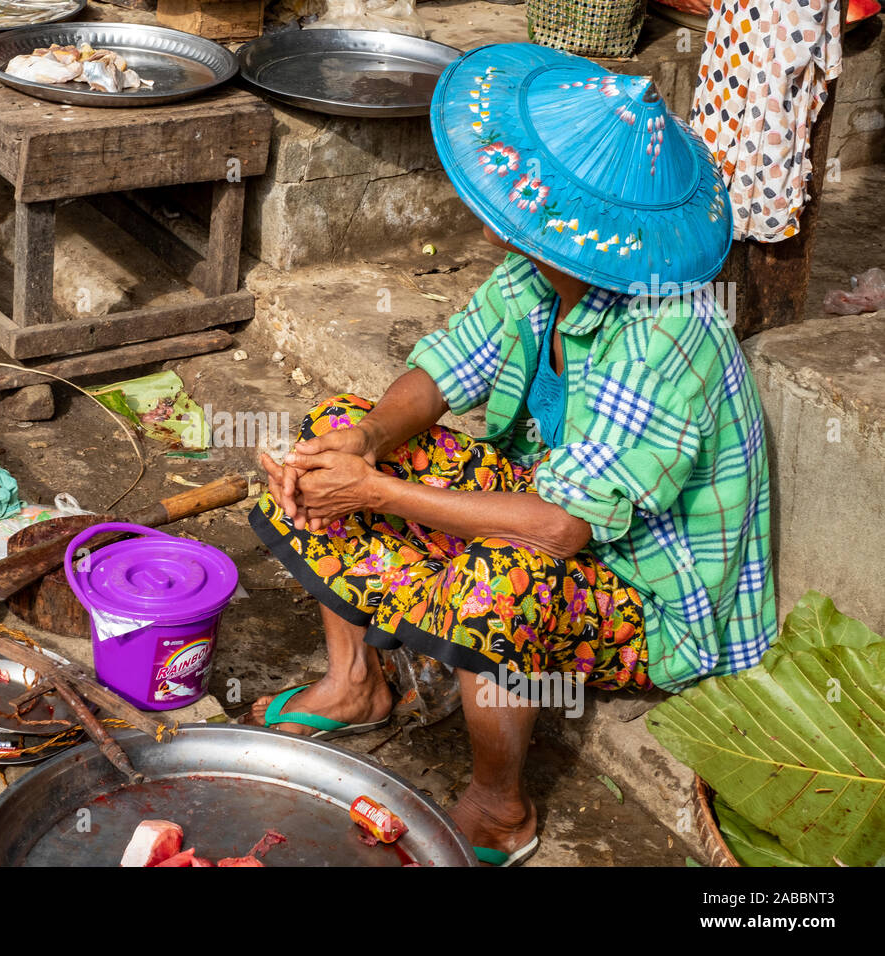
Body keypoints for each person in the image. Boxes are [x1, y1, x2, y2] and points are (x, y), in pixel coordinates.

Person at [246, 42, 776, 866]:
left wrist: (374, 495)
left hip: (648, 595)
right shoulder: (540, 272)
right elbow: (442, 368)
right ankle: (357, 684)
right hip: (547, 497)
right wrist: (366, 443)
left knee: (501, 580)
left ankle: (500, 811)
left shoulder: (670, 330)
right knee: (335, 425)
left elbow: (562, 532)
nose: (503, 211)